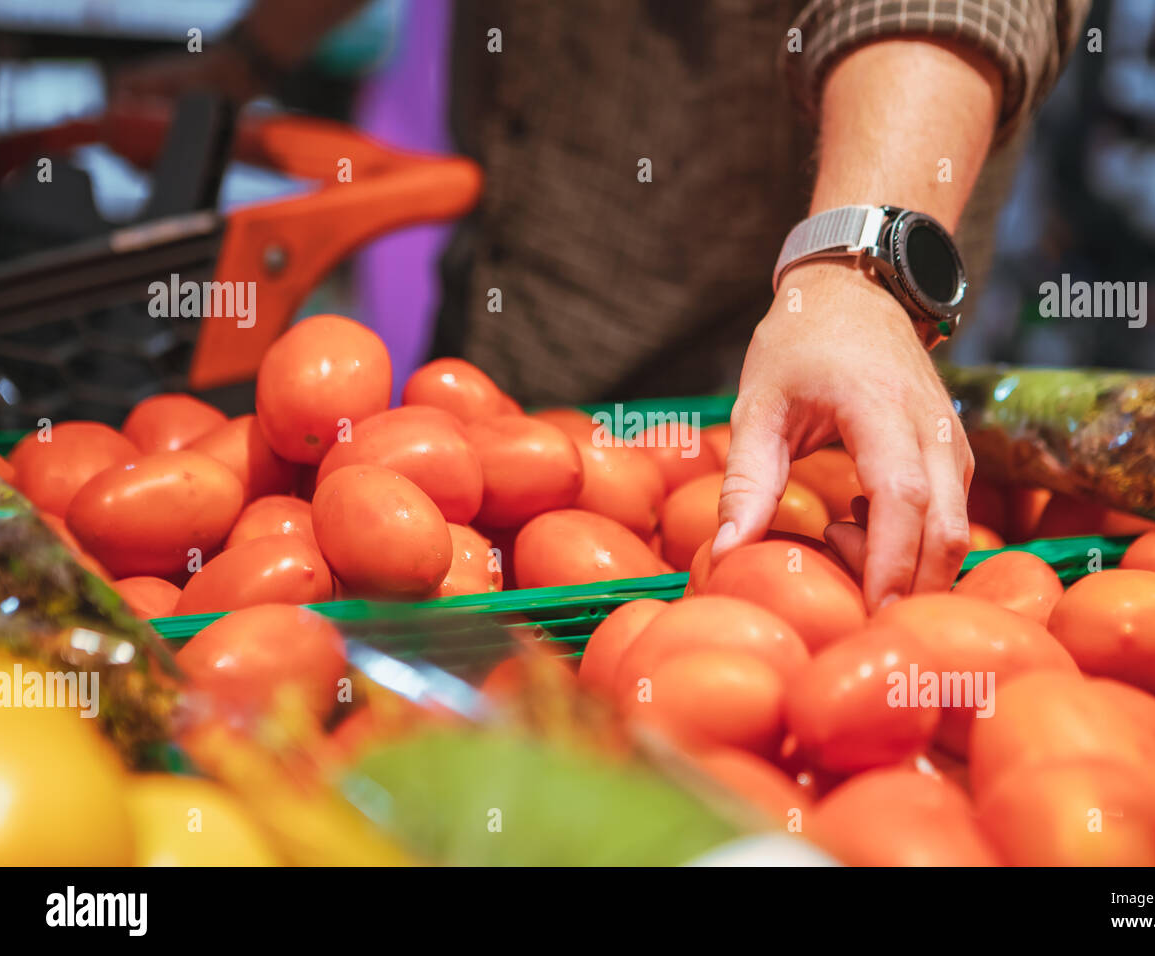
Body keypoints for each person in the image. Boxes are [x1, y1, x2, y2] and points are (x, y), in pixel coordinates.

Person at [114, 0, 1089, 612]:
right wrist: (243, 60)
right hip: (522, 308)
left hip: (764, 358)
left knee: (773, 516)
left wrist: (855, 265)